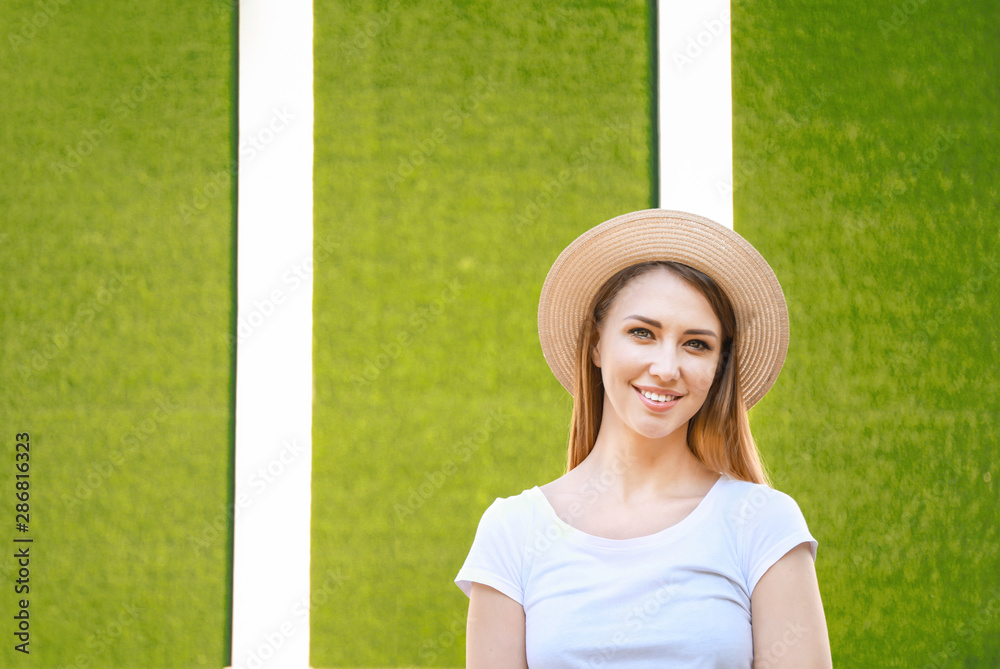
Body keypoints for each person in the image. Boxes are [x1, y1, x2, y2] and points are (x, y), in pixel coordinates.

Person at [455, 210, 833, 668]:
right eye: (642, 333)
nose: (667, 367)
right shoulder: (512, 532)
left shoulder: (763, 525)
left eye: (697, 344)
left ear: (718, 368)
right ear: (596, 344)